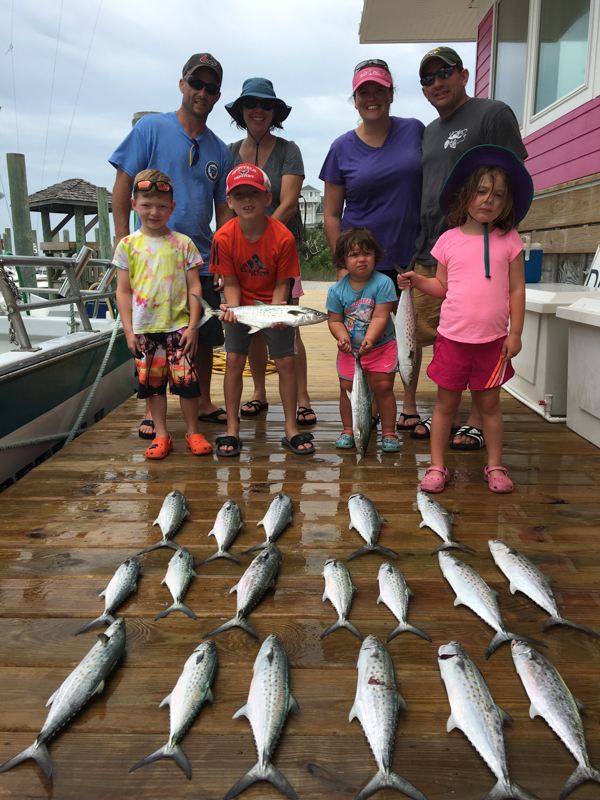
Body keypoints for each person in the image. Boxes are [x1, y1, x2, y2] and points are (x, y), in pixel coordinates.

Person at [400, 46, 528, 447]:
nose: (437, 82)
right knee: (439, 339)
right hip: (434, 249)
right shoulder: (431, 131)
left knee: (480, 338)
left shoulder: (491, 114)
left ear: (464, 74)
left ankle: (474, 419)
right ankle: (431, 412)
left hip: (482, 251)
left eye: (445, 73)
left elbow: (511, 176)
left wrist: (501, 241)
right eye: (428, 78)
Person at [109, 53, 233, 439]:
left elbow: (223, 209)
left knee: (204, 336)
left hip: (200, 256)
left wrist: (225, 261)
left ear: (217, 96)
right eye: (196, 84)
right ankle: (151, 411)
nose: (202, 92)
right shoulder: (150, 128)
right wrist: (120, 239)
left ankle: (206, 400)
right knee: (152, 337)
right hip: (149, 256)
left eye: (211, 88)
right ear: (182, 85)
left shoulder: (220, 149)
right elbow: (123, 185)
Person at [398, 146, 533, 493]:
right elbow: (442, 286)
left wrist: (514, 333)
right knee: (445, 405)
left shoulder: (510, 240)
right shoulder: (448, 240)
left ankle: (496, 465)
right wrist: (418, 281)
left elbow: (517, 291)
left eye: (498, 194)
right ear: (466, 194)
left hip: (492, 343)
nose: (489, 200)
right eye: (482, 191)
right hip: (453, 340)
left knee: (489, 406)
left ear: (507, 202)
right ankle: (437, 466)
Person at [225, 78, 316, 426]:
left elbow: (290, 202)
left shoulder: (288, 149)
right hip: (238, 255)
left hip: (280, 252)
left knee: (288, 325)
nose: (258, 111)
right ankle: (258, 392)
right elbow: (226, 203)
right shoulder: (230, 150)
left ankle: (302, 397)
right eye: (251, 105)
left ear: (274, 111)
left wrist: (262, 238)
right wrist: (234, 246)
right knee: (252, 324)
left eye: (265, 105)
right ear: (241, 112)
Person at [209, 164, 315, 457]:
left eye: (253, 193)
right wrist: (232, 308)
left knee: (286, 363)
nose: (247, 201)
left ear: (268, 197)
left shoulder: (283, 237)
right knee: (233, 359)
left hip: (274, 303)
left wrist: (279, 311)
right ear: (229, 201)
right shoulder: (223, 237)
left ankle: (291, 428)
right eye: (239, 195)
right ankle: (232, 428)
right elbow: (229, 283)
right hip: (240, 304)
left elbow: (283, 284)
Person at [115, 169, 212, 460]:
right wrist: (129, 330)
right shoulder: (127, 246)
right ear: (134, 205)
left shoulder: (183, 243)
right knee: (153, 387)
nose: (153, 212)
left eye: (161, 206)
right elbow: (123, 291)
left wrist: (194, 327)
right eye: (146, 205)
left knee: (187, 385)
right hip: (145, 330)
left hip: (180, 328)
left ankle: (193, 431)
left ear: (172, 207)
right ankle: (160, 434)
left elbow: (195, 285)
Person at [327, 228, 399, 453]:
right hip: (350, 350)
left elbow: (381, 315)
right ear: (342, 261)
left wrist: (369, 339)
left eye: (367, 253)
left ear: (375, 256)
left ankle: (389, 432)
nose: (361, 259)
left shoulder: (384, 283)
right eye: (354, 255)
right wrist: (342, 338)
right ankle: (349, 429)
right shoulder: (336, 290)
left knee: (384, 387)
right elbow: (335, 321)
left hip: (381, 345)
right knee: (346, 387)